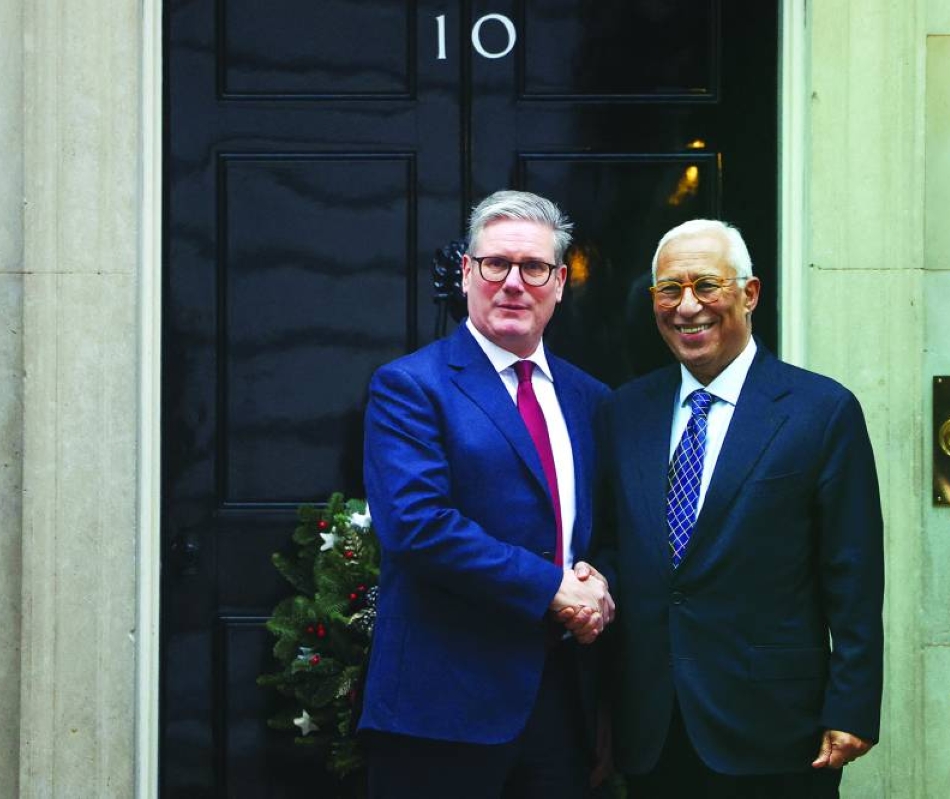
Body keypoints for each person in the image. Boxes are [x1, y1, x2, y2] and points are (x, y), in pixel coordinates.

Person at [597, 219, 884, 798]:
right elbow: (614, 543)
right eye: (668, 290)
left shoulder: (820, 410)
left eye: (707, 286)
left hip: (776, 728)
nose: (687, 307)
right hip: (653, 727)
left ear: (749, 294)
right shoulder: (624, 412)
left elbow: (853, 571)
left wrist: (853, 704)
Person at [359, 190, 615, 799]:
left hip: (561, 706)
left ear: (559, 283)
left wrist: (600, 587)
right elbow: (417, 527)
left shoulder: (592, 400)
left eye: (534, 268)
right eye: (496, 264)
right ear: (469, 273)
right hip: (440, 709)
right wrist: (551, 586)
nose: (513, 283)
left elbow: (608, 530)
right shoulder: (410, 387)